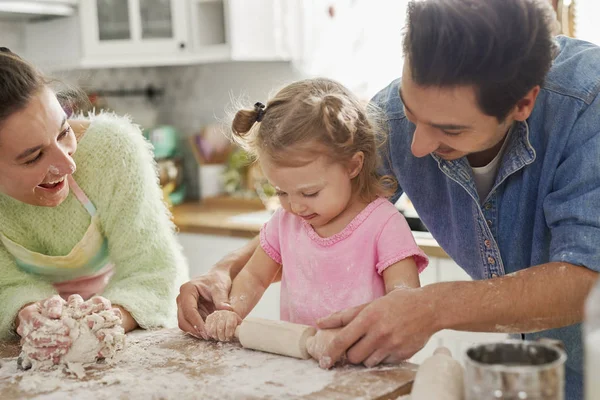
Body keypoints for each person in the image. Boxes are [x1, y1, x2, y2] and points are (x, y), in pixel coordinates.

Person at [178, 0, 599, 396]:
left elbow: (587, 278)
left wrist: (430, 306)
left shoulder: (588, 106)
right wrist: (224, 273)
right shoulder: (391, 118)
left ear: (524, 102)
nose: (416, 146)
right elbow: (316, 218)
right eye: (411, 112)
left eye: (449, 130)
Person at [199, 79, 428, 357]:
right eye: (281, 191)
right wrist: (231, 311)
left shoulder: (384, 225)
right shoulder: (285, 222)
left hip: (366, 364)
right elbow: (255, 277)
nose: (295, 206)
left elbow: (404, 300)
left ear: (353, 165)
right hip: (301, 363)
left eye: (310, 192)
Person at [0, 48, 188, 364]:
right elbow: (5, 285)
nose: (67, 164)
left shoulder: (113, 150)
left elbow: (154, 268)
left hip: (123, 339)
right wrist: (26, 314)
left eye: (64, 132)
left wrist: (108, 319)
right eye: (34, 157)